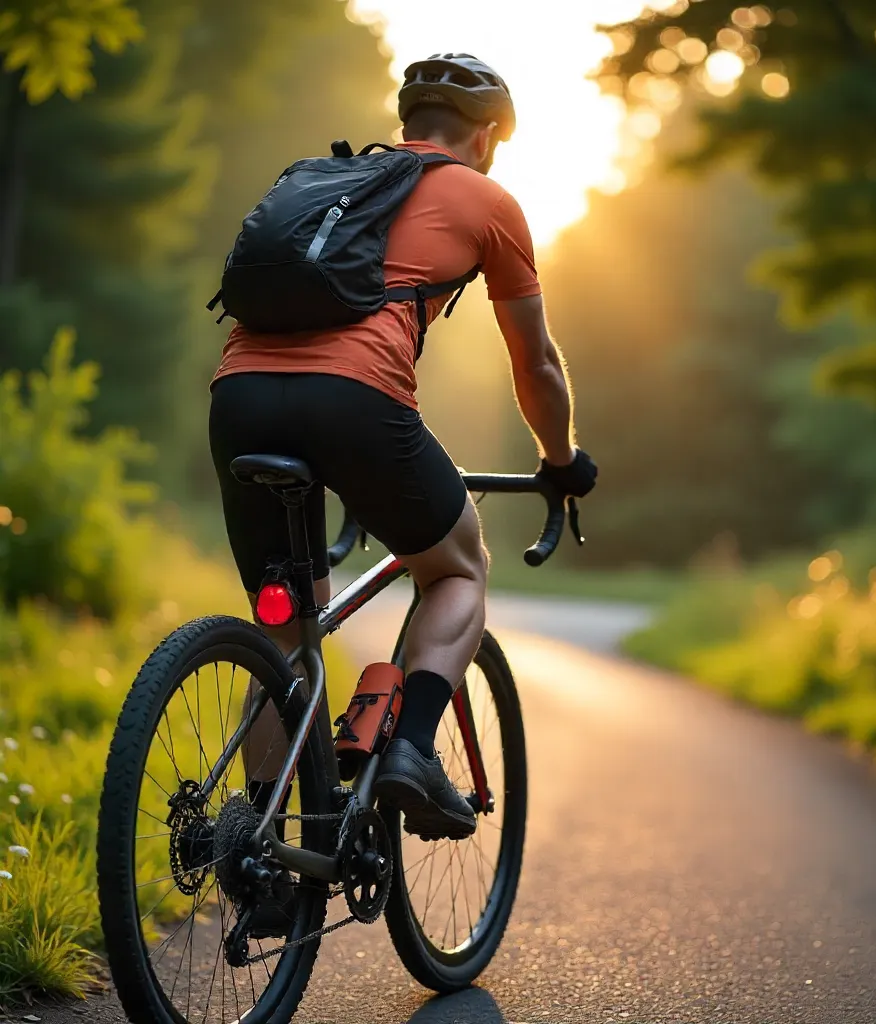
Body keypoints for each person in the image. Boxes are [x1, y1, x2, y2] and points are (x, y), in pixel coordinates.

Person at [208, 53, 597, 845]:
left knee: (286, 625)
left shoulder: (328, 184)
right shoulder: (486, 199)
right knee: (457, 565)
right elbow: (537, 365)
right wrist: (561, 460)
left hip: (239, 398)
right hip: (355, 402)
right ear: (485, 138)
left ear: (409, 124)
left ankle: (259, 848)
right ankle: (412, 750)